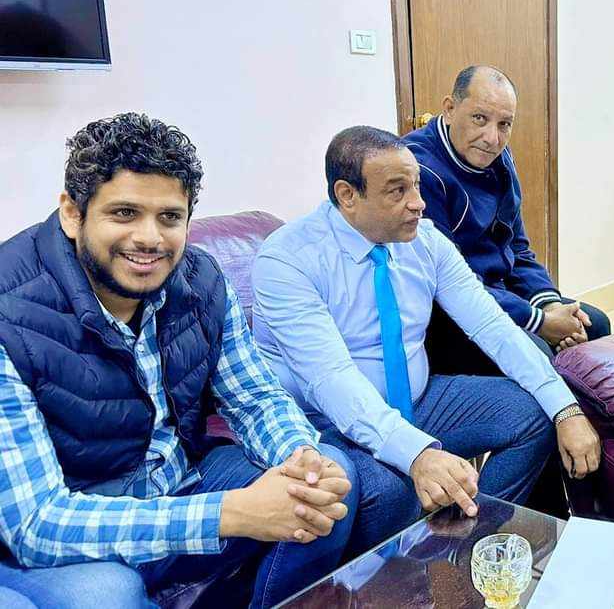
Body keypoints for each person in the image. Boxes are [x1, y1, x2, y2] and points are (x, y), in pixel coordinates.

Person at [0, 113, 358, 609]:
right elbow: (36, 523)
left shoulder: (202, 281)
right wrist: (233, 513)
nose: (149, 238)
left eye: (169, 217)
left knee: (327, 485)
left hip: (181, 485)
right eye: (124, 213)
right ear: (72, 214)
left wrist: (301, 458)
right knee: (106, 594)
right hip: (73, 525)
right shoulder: (10, 313)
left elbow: (255, 398)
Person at [251, 125, 601, 555]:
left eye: (416, 185)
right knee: (390, 489)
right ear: (347, 195)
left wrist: (566, 408)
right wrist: (417, 454)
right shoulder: (287, 260)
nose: (418, 202)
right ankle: (393, 575)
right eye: (397, 191)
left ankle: (466, 549)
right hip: (328, 421)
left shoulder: (426, 242)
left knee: (534, 414)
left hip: (419, 401)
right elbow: (331, 380)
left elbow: (494, 328)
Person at [405, 65, 610, 375]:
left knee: (594, 325)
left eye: (504, 124)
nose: (492, 138)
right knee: (537, 351)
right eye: (479, 118)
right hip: (448, 312)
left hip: (499, 293)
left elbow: (517, 247)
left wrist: (551, 307)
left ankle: (576, 404)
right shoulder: (418, 169)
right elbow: (451, 286)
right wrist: (539, 321)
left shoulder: (499, 157)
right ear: (449, 109)